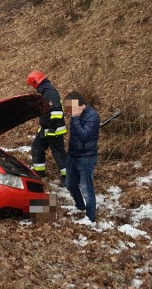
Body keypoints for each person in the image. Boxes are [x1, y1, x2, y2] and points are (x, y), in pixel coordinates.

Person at [64, 91, 100, 223]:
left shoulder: (92, 116)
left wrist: (75, 118)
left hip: (86, 157)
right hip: (73, 155)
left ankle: (90, 218)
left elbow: (84, 135)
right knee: (70, 184)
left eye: (70, 107)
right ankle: (80, 206)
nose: (68, 111)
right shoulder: (76, 115)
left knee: (87, 189)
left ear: (78, 105)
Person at [26, 70, 67, 185]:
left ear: (36, 82)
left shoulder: (50, 93)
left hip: (54, 130)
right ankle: (39, 173)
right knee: (37, 147)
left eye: (32, 85)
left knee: (58, 152)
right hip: (46, 129)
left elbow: (57, 112)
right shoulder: (45, 92)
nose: (33, 88)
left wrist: (52, 128)